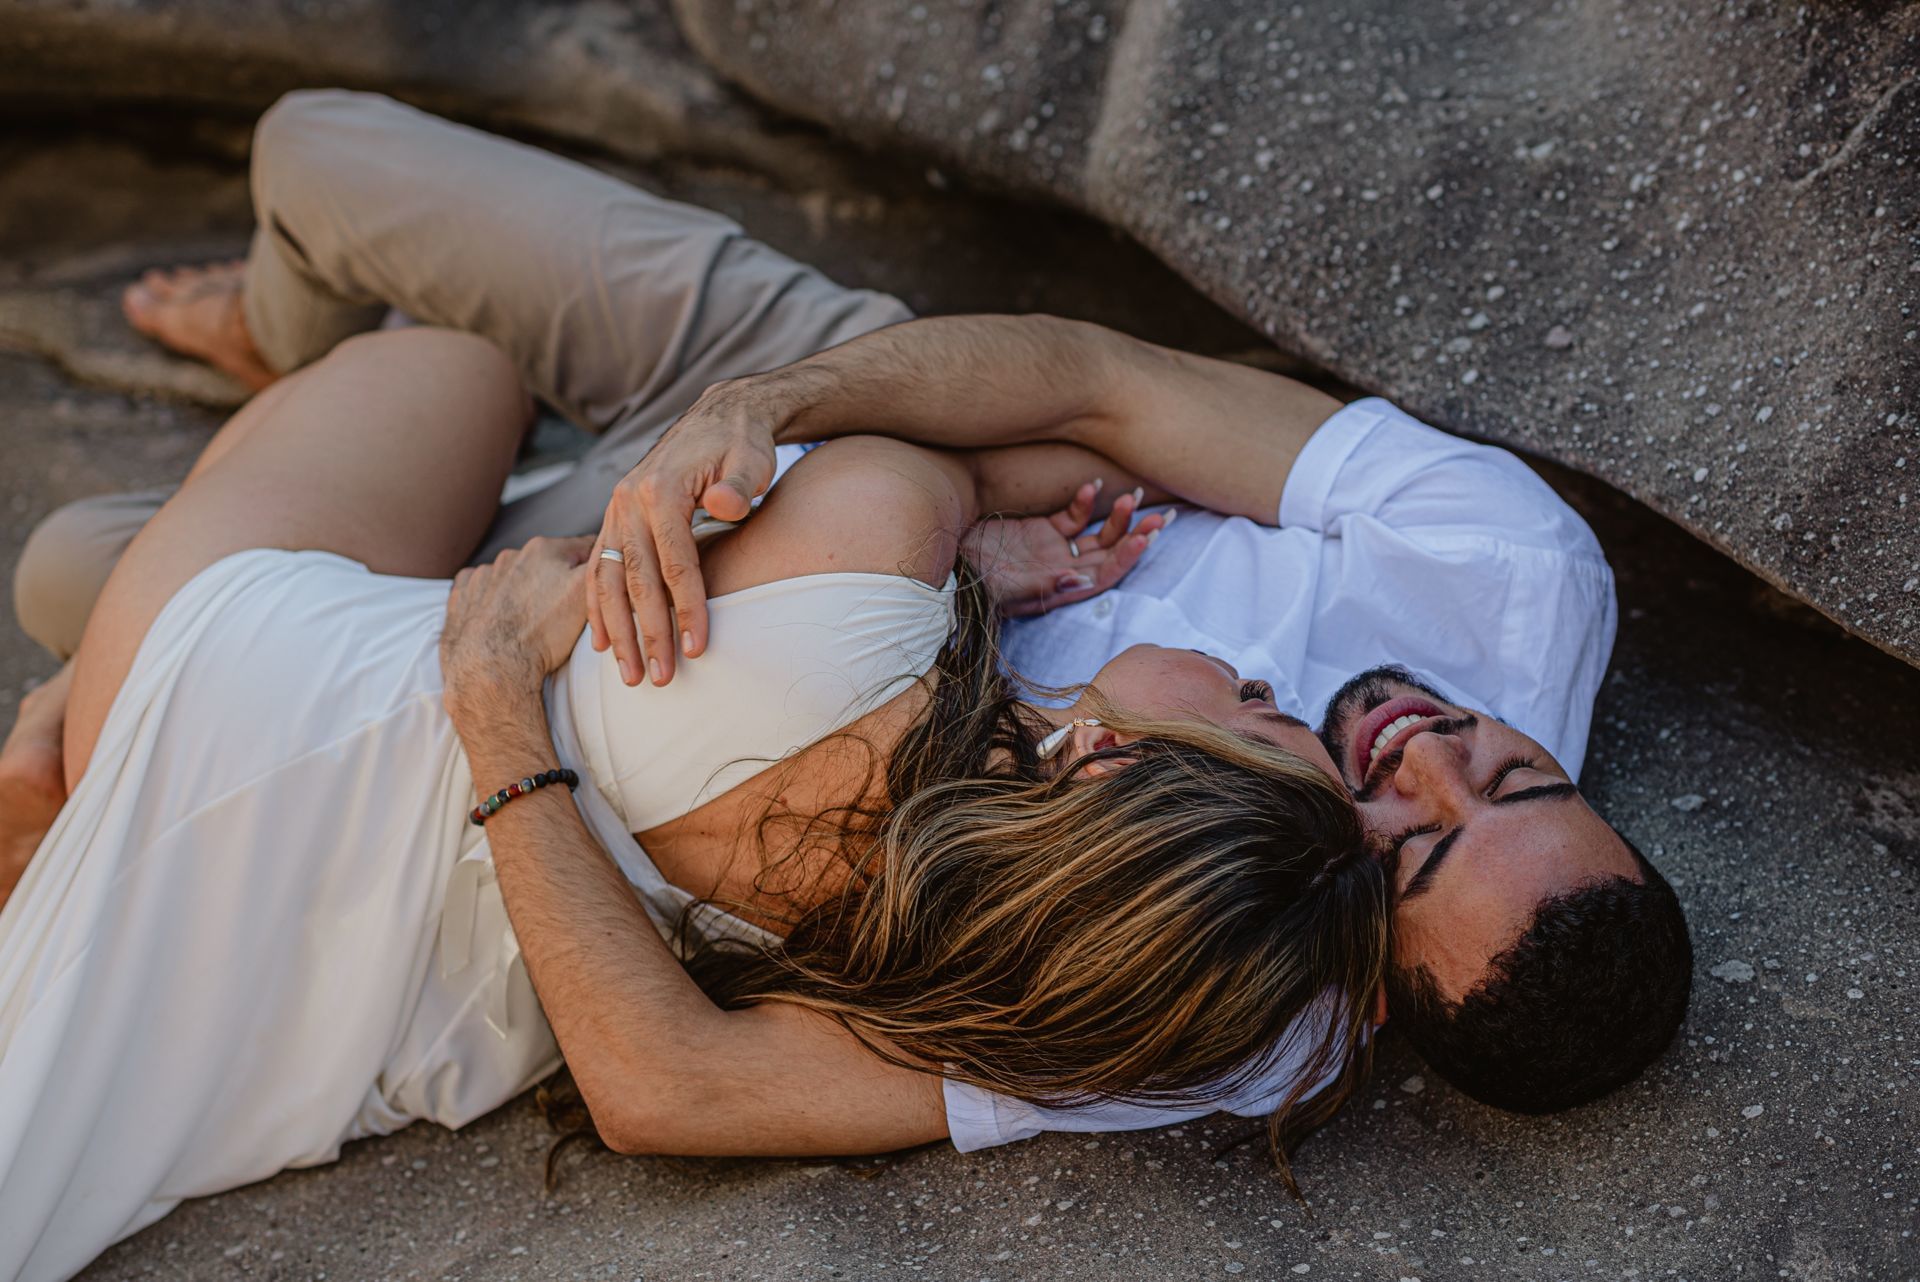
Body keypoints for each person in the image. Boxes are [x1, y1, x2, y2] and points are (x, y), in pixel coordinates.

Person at [1, 86, 1691, 1240]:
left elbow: (684, 1081)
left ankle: (327, 451)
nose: (1410, 751)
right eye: (1511, 768)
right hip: (867, 410)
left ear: (1368, 982)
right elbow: (1094, 382)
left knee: (94, 566)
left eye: (1403, 847)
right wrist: (782, 410)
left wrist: (499, 707)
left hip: (810, 587)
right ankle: (293, 364)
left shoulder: (1226, 979)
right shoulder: (1511, 578)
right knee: (321, 161)